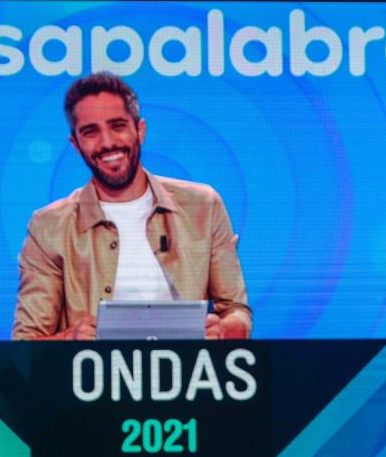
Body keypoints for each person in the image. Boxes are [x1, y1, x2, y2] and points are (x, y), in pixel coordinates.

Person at [13, 72, 252, 340]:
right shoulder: (49, 227)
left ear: (140, 131)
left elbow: (237, 311)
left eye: (117, 126)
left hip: (190, 375)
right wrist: (71, 339)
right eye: (90, 132)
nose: (107, 142)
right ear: (76, 145)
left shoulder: (203, 206)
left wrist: (223, 329)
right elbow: (26, 344)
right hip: (92, 378)